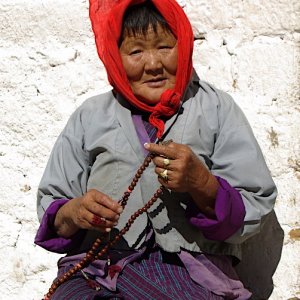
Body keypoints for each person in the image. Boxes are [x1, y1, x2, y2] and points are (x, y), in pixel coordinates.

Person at [35, 0, 277, 299]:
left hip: (191, 274)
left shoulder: (216, 109)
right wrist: (76, 212)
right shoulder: (90, 116)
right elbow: (54, 204)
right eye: (136, 51)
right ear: (115, 56)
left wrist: (201, 184)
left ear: (184, 45)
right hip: (96, 271)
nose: (153, 64)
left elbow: (254, 202)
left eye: (164, 47)